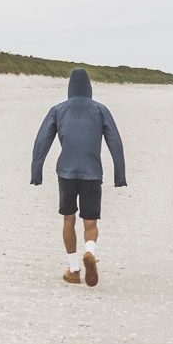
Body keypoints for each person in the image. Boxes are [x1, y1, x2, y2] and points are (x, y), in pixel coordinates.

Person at [31, 68, 126, 288]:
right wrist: (119, 175)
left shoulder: (58, 110)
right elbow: (116, 143)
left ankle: (74, 270)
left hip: (66, 172)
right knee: (90, 221)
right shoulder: (101, 110)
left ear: (70, 88)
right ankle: (90, 252)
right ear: (89, 88)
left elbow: (42, 141)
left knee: (68, 219)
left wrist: (36, 172)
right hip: (92, 173)